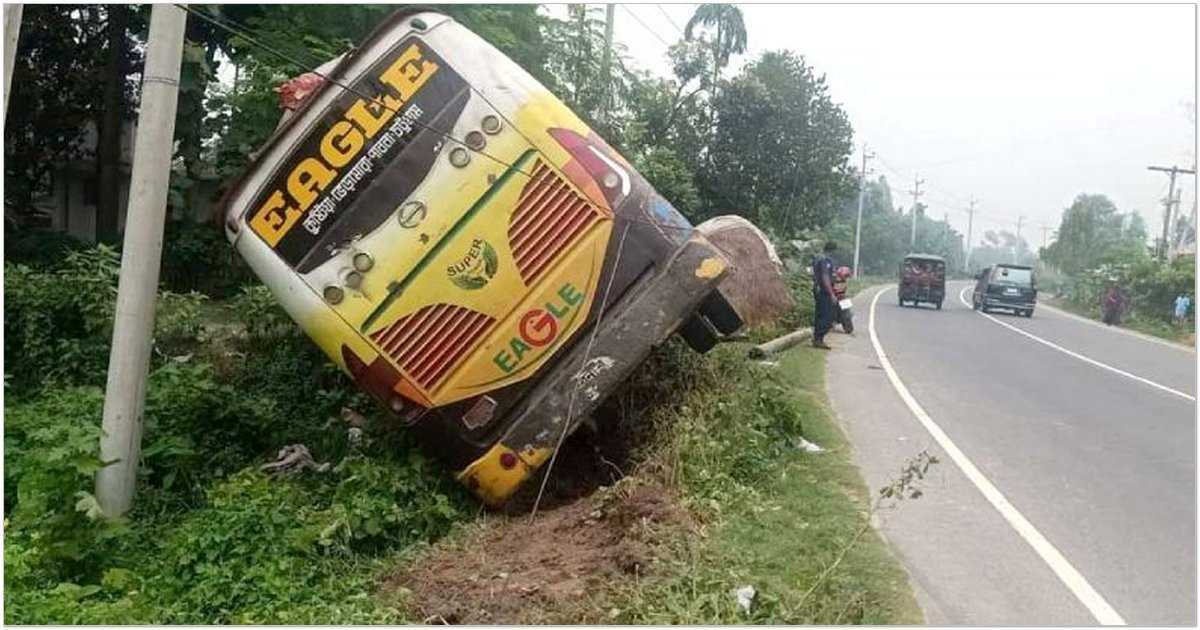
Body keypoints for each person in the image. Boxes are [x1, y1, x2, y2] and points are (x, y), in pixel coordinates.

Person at [811, 241, 838, 349]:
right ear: (833, 250)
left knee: (820, 314)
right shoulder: (825, 261)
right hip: (823, 290)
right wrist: (831, 293)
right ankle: (818, 339)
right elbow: (825, 277)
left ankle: (818, 339)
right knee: (827, 316)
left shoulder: (819, 258)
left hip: (818, 289)